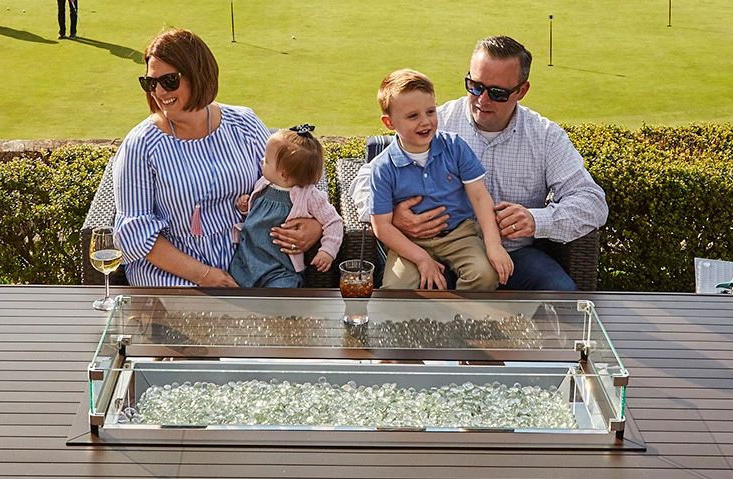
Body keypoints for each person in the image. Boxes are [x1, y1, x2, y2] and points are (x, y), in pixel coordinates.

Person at [349, 36, 608, 291]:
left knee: (560, 290)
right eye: (475, 86)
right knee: (413, 293)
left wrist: (537, 220)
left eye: (497, 93)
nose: (482, 100)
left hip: (513, 254)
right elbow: (365, 178)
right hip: (433, 251)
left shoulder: (545, 137)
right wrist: (393, 217)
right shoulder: (439, 121)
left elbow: (592, 202)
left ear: (522, 91)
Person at [112, 28, 324, 287]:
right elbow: (134, 233)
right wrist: (203, 275)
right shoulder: (141, 146)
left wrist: (315, 226)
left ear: (198, 75)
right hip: (176, 275)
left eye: (169, 81)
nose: (158, 91)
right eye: (150, 82)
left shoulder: (244, 123)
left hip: (253, 264)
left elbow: (291, 178)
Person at [368, 70, 516, 292]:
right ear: (389, 123)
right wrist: (421, 259)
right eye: (413, 116)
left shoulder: (455, 147)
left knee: (484, 275)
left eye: (430, 111)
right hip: (410, 241)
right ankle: (416, 325)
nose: (425, 122)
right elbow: (382, 228)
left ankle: (456, 322)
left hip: (460, 234)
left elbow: (480, 197)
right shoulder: (382, 168)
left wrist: (493, 245)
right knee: (395, 288)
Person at [229, 125, 344, 288]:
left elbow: (333, 222)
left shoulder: (308, 196)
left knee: (282, 294)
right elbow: (258, 213)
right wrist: (246, 206)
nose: (262, 161)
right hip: (247, 260)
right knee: (235, 290)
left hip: (280, 268)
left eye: (266, 160)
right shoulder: (264, 184)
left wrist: (327, 251)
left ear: (283, 174)